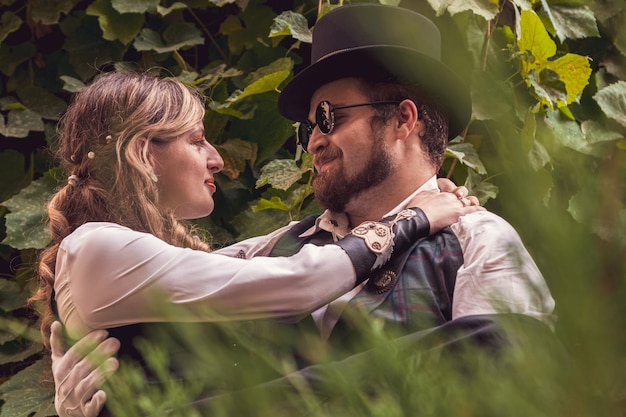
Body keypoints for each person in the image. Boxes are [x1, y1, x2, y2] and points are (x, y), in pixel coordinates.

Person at [49, 4, 556, 416]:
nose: (313, 140)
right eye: (308, 126)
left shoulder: (478, 241)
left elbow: (512, 393)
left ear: (403, 119)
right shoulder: (272, 250)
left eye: (328, 118)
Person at [32, 69, 479, 416]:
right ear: (145, 152)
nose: (217, 159)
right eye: (198, 140)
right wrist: (415, 218)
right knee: (488, 339)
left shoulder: (144, 261)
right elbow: (300, 280)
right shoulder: (94, 248)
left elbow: (265, 254)